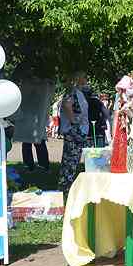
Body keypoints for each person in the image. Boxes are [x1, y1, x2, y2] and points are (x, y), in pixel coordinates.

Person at [12, 73, 55, 171]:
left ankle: (38, 165)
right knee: (30, 143)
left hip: (34, 121)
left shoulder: (39, 89)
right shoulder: (31, 90)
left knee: (35, 143)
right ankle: (36, 165)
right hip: (30, 121)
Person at [58, 72, 90, 201]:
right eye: (85, 77)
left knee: (73, 161)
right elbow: (67, 105)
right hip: (73, 132)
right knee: (70, 162)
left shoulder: (78, 92)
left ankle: (68, 190)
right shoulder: (72, 92)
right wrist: (74, 122)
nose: (87, 79)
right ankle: (65, 192)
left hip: (77, 131)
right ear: (78, 79)